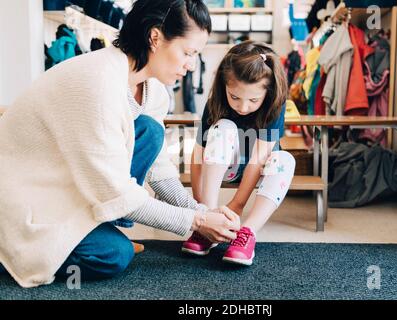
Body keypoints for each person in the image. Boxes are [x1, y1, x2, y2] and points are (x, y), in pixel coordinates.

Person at [0, 0, 240, 288]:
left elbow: (158, 167)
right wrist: (197, 223)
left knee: (149, 131)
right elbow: (116, 191)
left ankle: (100, 226)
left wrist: (200, 211)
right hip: (27, 197)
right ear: (155, 37)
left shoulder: (152, 90)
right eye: (188, 53)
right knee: (114, 254)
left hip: (71, 182)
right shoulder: (98, 83)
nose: (191, 65)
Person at [182, 41, 295, 266]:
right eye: (235, 97)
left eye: (253, 100)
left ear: (268, 92)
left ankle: (247, 233)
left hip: (260, 170)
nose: (243, 107)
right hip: (224, 166)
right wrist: (201, 209)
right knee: (224, 127)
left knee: (285, 159)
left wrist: (238, 204)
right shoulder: (215, 101)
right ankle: (210, 226)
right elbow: (198, 155)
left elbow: (258, 159)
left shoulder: (275, 104)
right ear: (224, 86)